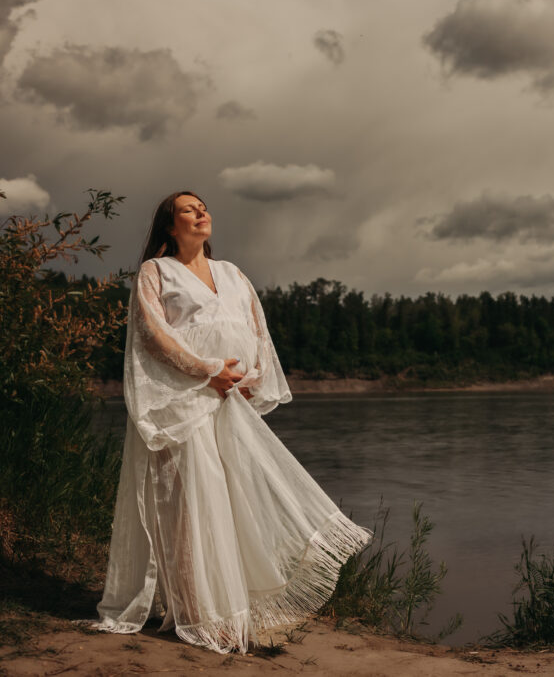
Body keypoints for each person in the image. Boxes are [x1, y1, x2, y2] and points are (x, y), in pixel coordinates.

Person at [91, 191, 371, 653]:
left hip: (229, 402)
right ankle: (200, 616)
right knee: (189, 511)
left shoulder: (233, 274)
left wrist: (249, 378)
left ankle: (233, 608)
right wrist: (209, 371)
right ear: (169, 226)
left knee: (230, 504)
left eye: (203, 207)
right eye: (188, 209)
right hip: (181, 404)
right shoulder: (156, 272)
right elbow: (153, 334)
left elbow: (258, 335)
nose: (201, 212)